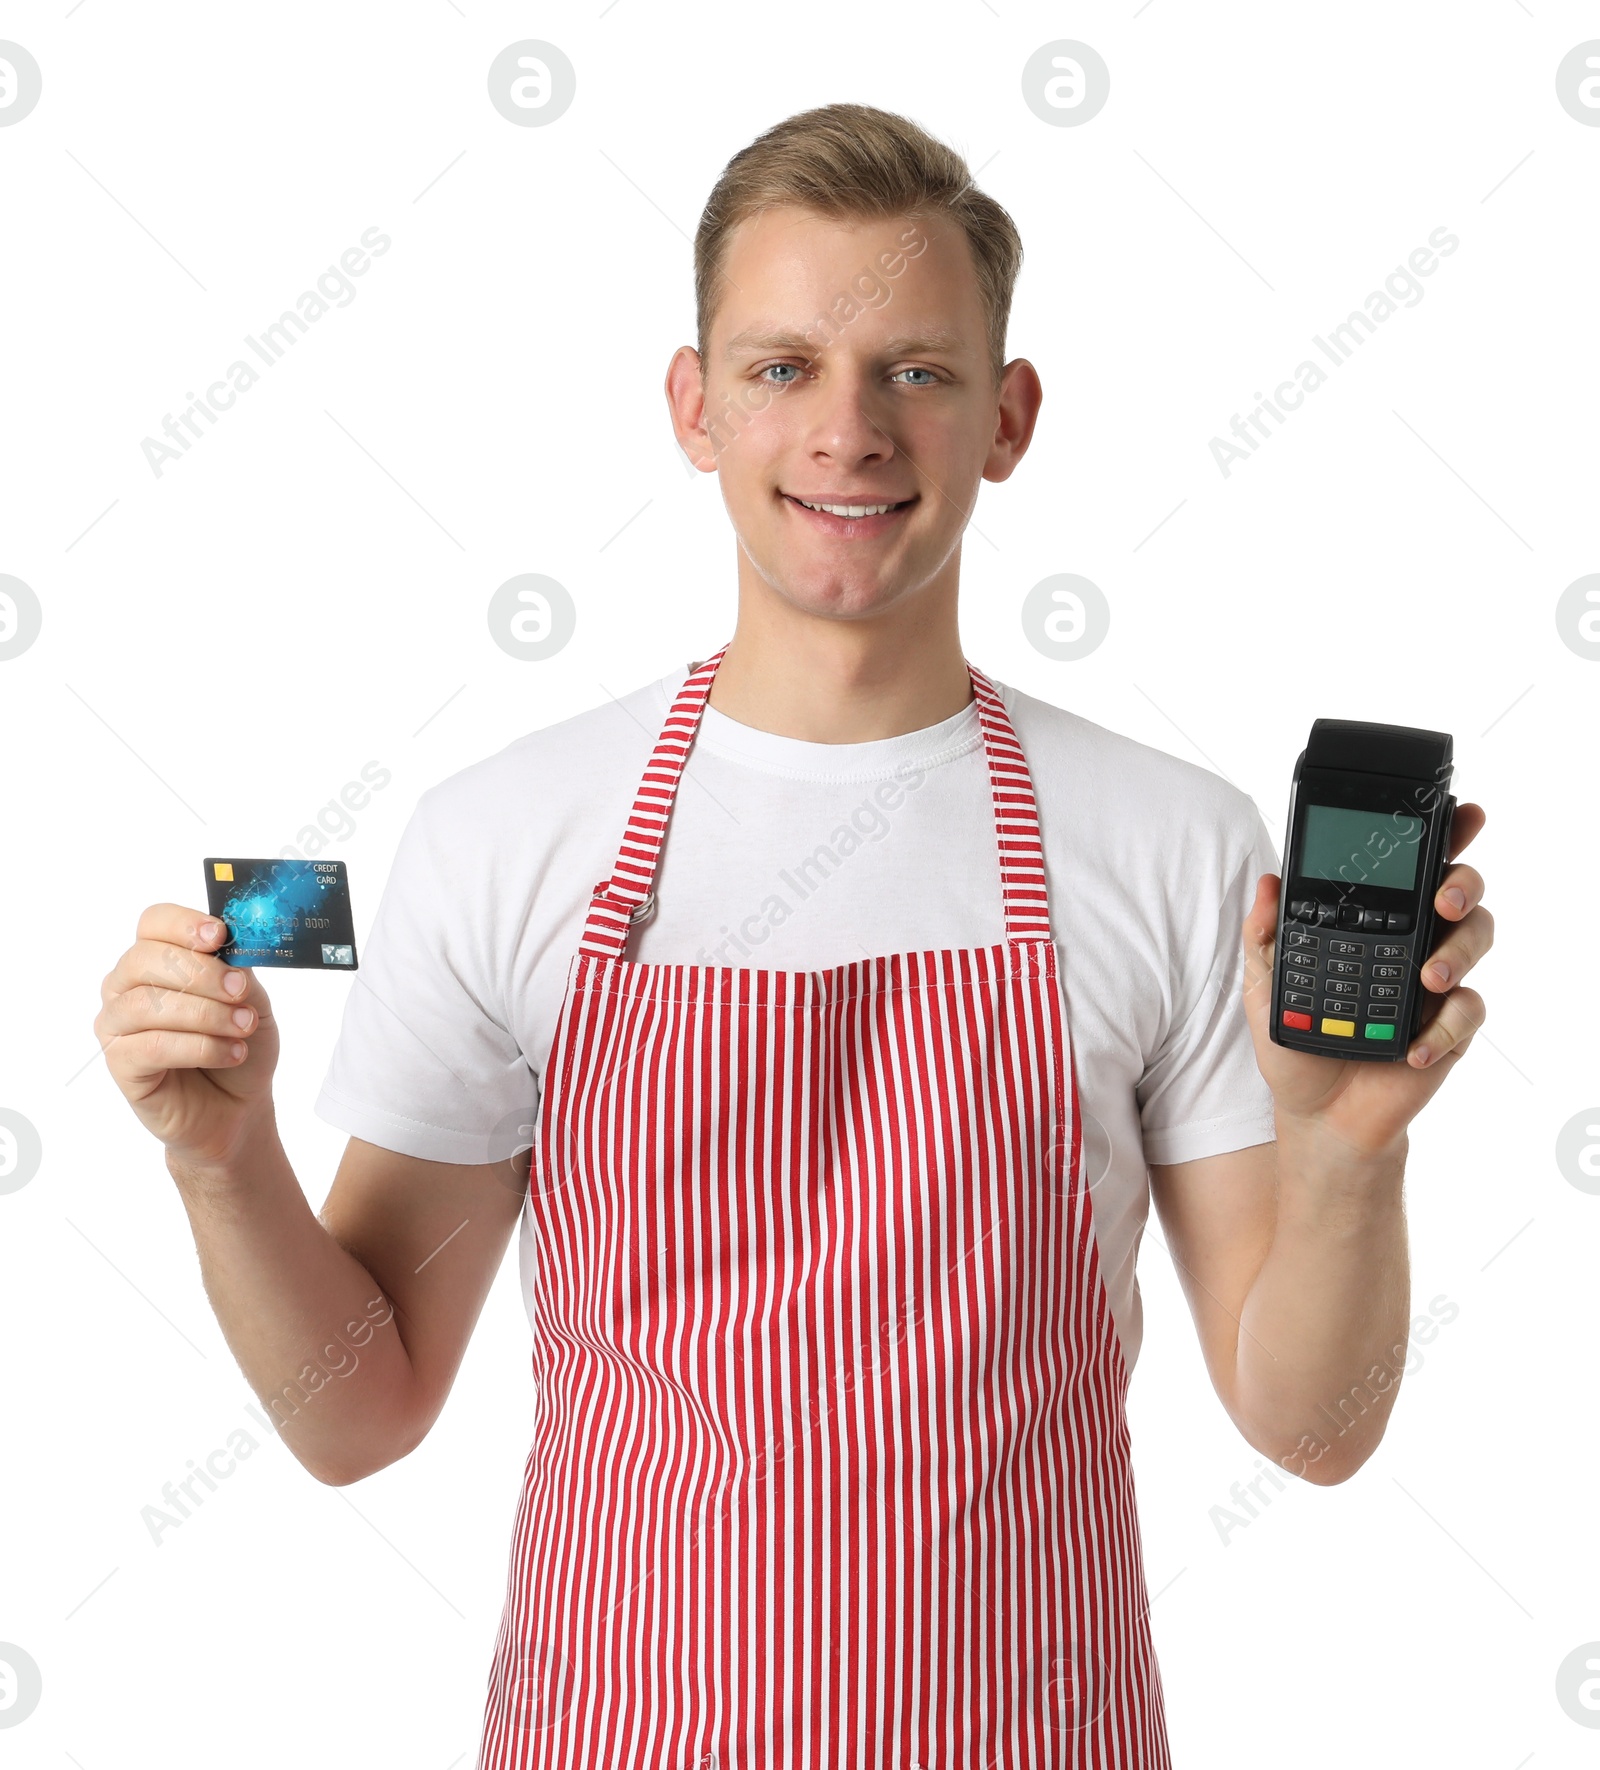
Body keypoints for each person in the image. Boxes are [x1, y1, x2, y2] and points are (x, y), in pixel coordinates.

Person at [96, 102, 1492, 1767]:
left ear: (1007, 417)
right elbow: (357, 1413)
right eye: (779, 368)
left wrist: (1346, 1161)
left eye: (915, 369)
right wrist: (220, 1158)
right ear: (692, 408)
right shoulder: (505, 835)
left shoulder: (1172, 840)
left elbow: (1310, 1429)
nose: (848, 431)